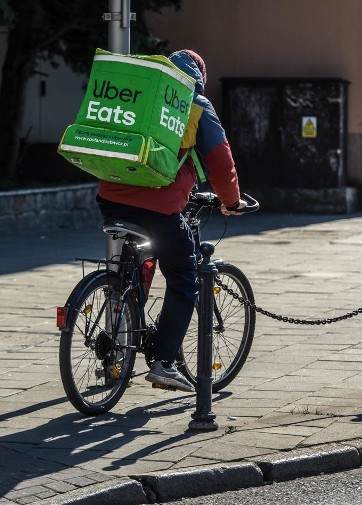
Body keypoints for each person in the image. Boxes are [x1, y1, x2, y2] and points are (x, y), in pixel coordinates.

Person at [97, 49, 247, 392]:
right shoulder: (195, 105)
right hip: (161, 206)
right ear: (200, 79)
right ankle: (164, 363)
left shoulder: (144, 91)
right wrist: (232, 201)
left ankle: (128, 308)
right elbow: (220, 161)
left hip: (110, 196)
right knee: (184, 277)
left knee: (143, 254)